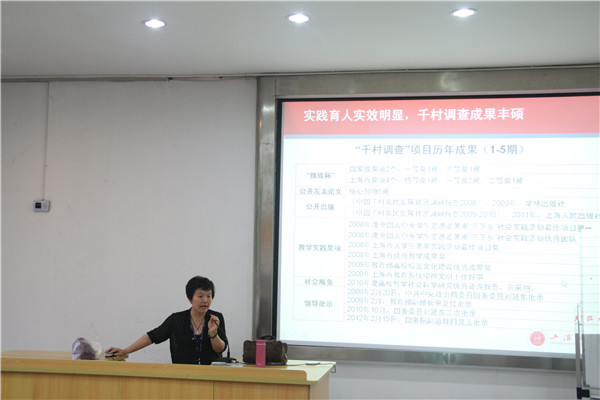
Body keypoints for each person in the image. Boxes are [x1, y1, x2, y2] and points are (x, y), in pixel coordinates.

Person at [106, 276, 228, 365]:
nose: (205, 300)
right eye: (200, 296)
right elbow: (152, 336)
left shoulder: (216, 318)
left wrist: (213, 333)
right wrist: (125, 351)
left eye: (209, 296)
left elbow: (220, 349)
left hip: (210, 376)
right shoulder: (176, 319)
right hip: (182, 377)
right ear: (190, 298)